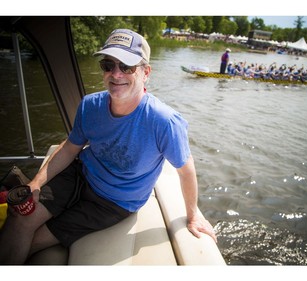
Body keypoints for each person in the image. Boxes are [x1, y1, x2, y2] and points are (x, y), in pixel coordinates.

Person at [0, 29, 217, 264]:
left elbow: (186, 169)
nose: (115, 74)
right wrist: (36, 184)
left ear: (146, 73)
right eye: (108, 65)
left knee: (35, 240)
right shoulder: (90, 106)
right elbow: (70, 148)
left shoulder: (164, 122)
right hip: (80, 174)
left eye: (127, 66)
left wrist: (192, 215)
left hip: (114, 202)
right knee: (20, 218)